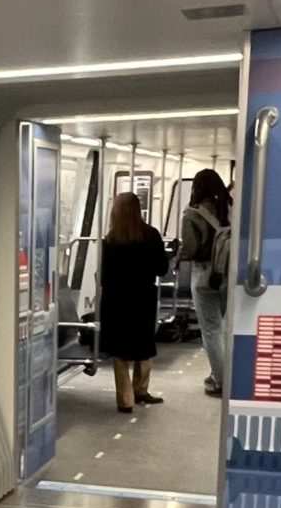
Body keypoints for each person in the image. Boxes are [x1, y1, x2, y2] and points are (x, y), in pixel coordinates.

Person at [97, 192, 169, 412]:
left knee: (120, 353)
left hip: (116, 301)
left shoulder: (109, 241)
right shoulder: (151, 235)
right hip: (143, 298)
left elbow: (104, 276)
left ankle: (125, 400)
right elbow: (162, 268)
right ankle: (141, 390)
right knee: (144, 348)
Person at [178, 167, 234, 395]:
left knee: (210, 329)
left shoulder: (192, 214)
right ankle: (230, 376)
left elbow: (190, 248)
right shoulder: (230, 208)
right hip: (228, 274)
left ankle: (219, 380)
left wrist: (182, 254)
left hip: (204, 276)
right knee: (226, 326)